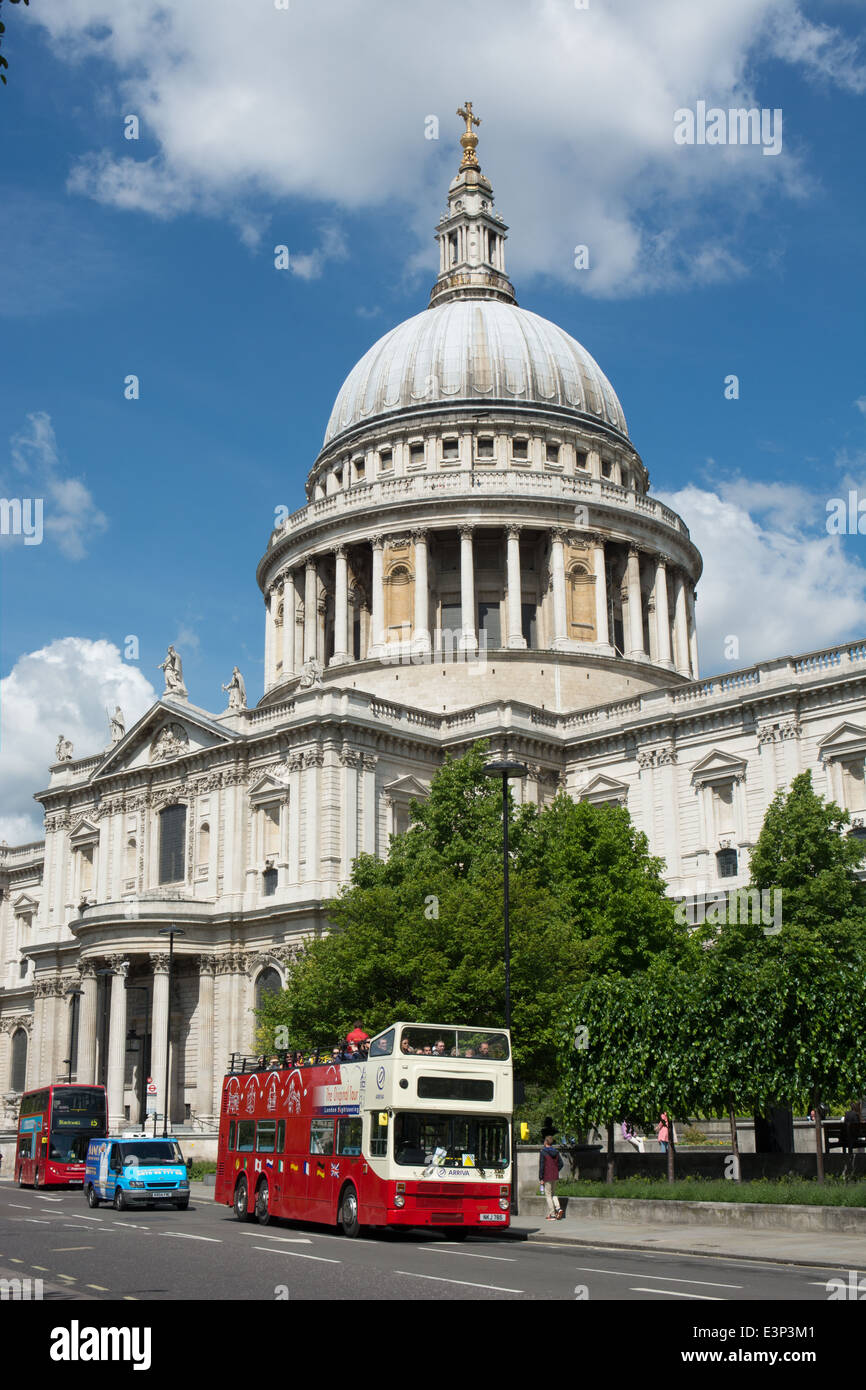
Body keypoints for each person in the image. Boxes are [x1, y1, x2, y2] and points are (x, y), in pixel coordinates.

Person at [538, 1135, 565, 1220]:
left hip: (547, 1176)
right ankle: (558, 1208)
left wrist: (541, 1178)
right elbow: (561, 1164)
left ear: (546, 1142)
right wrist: (556, 1170)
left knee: (548, 1195)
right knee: (553, 1193)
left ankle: (552, 1214)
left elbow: (542, 1166)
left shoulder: (543, 1152)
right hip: (554, 1175)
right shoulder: (556, 1152)